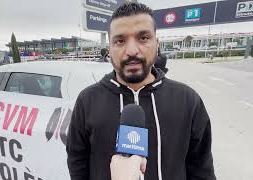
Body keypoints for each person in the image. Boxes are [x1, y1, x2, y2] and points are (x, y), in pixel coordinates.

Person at [66, 2, 215, 180]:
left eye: (143, 38)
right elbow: (77, 165)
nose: (131, 50)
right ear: (109, 49)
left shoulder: (188, 101)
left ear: (157, 43)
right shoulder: (87, 101)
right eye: (120, 41)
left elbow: (201, 169)